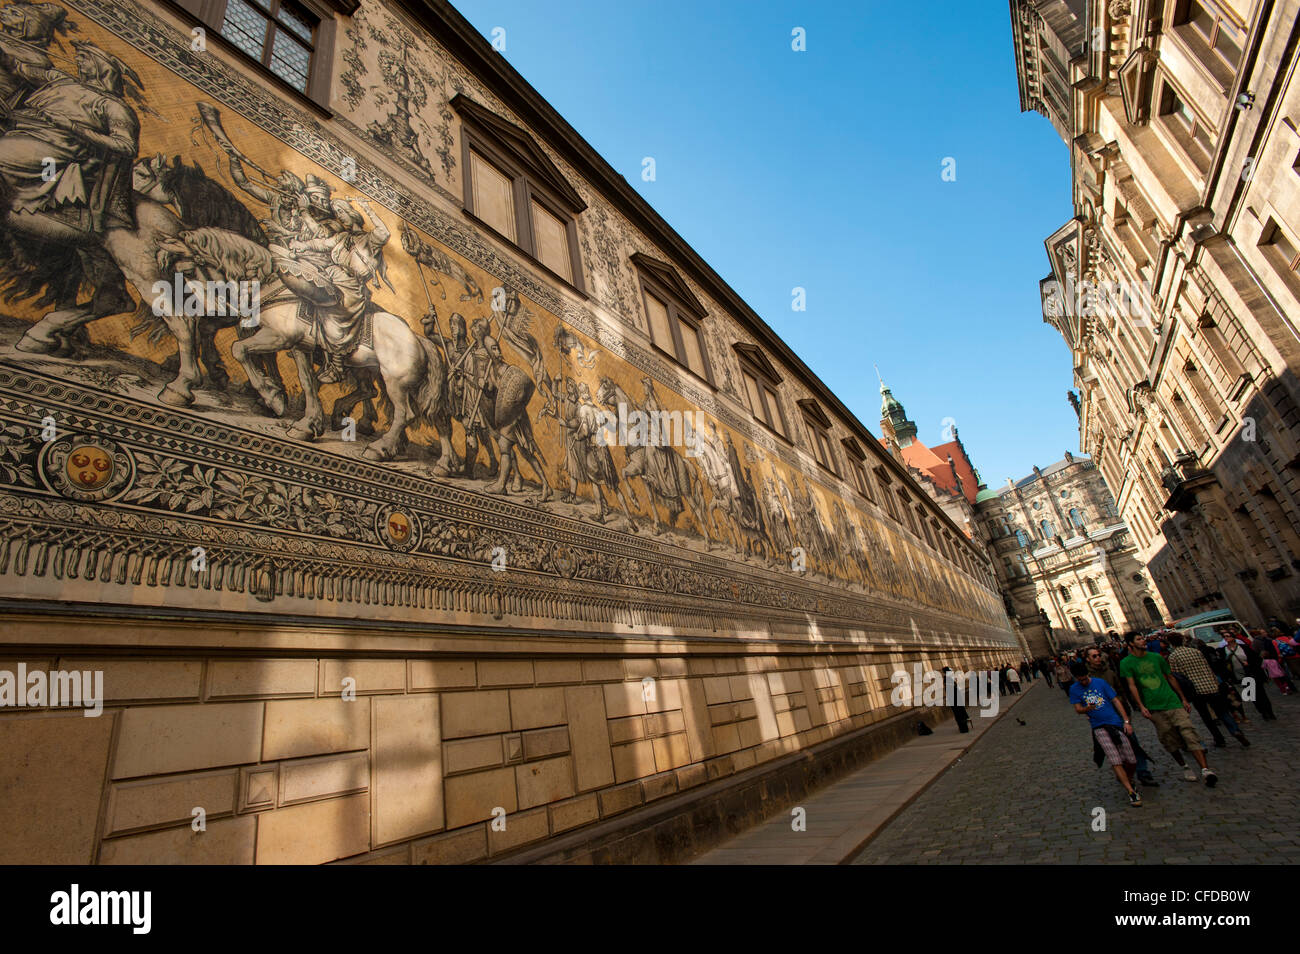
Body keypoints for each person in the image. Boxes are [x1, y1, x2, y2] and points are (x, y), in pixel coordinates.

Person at [1120, 632, 1217, 786]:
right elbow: (1131, 685)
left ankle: (1205, 770)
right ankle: (1184, 766)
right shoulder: (1126, 663)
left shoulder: (1157, 657)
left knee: (1188, 732)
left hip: (1172, 701)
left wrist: (1183, 698)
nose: (1143, 640)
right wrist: (1141, 706)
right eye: (1139, 639)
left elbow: (1170, 677)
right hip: (1153, 706)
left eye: (1142, 637)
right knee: (1169, 739)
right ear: (1130, 644)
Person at [1069, 661, 1142, 807]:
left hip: (1115, 723)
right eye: (1080, 680)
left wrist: (1126, 721)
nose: (1083, 682)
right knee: (1115, 759)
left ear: (1088, 674)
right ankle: (1131, 791)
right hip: (1098, 727)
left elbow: (1115, 700)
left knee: (1131, 759)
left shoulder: (1100, 683)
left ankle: (1129, 778)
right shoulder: (1074, 689)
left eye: (1084, 678)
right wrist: (1086, 709)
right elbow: (1078, 709)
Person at [1083, 645, 1158, 786]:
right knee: (1116, 746)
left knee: (1133, 741)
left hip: (1119, 714)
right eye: (1094, 656)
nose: (1098, 657)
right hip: (1103, 717)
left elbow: (1120, 691)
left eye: (1099, 654)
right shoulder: (1087, 678)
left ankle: (1143, 772)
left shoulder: (1110, 672)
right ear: (1087, 659)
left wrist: (1127, 708)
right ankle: (1125, 774)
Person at [1167, 634, 1249, 748]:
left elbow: (1178, 677)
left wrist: (1183, 696)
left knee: (1207, 717)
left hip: (1195, 691)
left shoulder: (1173, 657)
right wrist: (1215, 683)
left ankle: (1219, 739)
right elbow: (1208, 668)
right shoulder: (1195, 651)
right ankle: (1235, 730)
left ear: (1171, 643)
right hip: (1210, 686)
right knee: (1222, 711)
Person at [1222, 633, 1276, 720]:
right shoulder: (1224, 650)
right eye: (1224, 636)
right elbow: (1224, 664)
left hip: (1252, 673)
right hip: (1240, 676)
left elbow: (1256, 659)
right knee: (1252, 695)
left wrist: (1249, 664)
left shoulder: (1243, 647)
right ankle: (1263, 712)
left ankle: (1270, 711)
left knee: (1261, 694)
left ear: (1233, 637)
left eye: (1227, 636)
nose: (1226, 638)